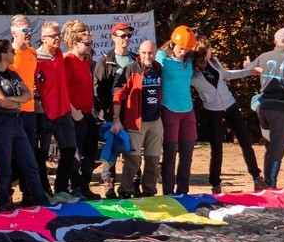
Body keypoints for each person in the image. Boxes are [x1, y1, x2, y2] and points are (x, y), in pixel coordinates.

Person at [191, 35, 267, 193]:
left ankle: (256, 177)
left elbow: (227, 74)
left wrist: (250, 71)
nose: (212, 50)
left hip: (230, 105)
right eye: (209, 47)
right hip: (212, 110)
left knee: (245, 141)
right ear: (202, 50)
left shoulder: (214, 62)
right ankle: (215, 185)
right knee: (216, 148)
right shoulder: (191, 71)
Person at [0, 39, 50, 211]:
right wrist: (14, 102)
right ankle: (2, 202)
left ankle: (42, 201)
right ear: (3, 55)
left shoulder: (12, 74)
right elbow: (0, 101)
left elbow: (28, 95)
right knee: (4, 167)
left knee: (30, 164)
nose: (14, 54)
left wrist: (13, 101)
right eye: (11, 51)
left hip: (16, 122)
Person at [252, 27, 284, 188]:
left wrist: (247, 64)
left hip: (263, 107)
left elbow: (249, 69)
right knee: (277, 149)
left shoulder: (263, 56)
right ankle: (270, 183)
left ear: (275, 41)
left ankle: (265, 182)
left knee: (269, 147)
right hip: (280, 109)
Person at [112, 40, 163, 198]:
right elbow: (118, 94)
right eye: (144, 53)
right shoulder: (131, 69)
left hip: (155, 120)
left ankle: (149, 190)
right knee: (133, 160)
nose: (147, 56)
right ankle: (125, 191)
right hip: (136, 121)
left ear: (155, 53)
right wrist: (116, 118)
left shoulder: (158, 68)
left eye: (150, 53)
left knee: (153, 159)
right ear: (139, 54)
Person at [34, 20, 78, 201]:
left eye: (59, 34)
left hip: (63, 110)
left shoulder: (59, 53)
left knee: (69, 149)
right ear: (43, 38)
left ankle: (61, 189)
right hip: (44, 111)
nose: (57, 38)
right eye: (53, 36)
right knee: (41, 154)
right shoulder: (35, 57)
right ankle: (44, 191)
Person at [93, 22, 136, 198]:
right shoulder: (105, 60)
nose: (126, 39)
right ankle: (109, 183)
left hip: (132, 110)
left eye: (128, 35)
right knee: (110, 146)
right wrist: (103, 110)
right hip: (110, 110)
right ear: (113, 37)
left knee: (132, 146)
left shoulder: (135, 59)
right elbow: (96, 88)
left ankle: (133, 183)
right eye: (122, 35)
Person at [154, 26, 198, 195]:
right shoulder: (161, 56)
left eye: (187, 49)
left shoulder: (189, 59)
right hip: (169, 108)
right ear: (173, 43)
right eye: (181, 48)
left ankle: (183, 191)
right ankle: (168, 191)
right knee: (170, 153)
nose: (183, 52)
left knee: (187, 153)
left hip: (187, 109)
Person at [62, 20, 98, 198]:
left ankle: (84, 186)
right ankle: (74, 187)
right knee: (75, 154)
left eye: (91, 43)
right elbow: (61, 90)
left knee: (90, 153)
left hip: (87, 113)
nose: (91, 46)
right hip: (74, 115)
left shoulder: (85, 60)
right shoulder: (68, 61)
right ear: (75, 43)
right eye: (87, 43)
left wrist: (90, 110)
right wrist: (73, 111)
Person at [7, 14, 41, 202]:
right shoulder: (8, 54)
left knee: (29, 154)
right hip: (12, 112)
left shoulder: (33, 52)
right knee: (10, 155)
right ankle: (7, 195)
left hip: (30, 111)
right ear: (14, 32)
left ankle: (28, 194)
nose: (29, 33)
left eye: (31, 29)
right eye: (25, 30)